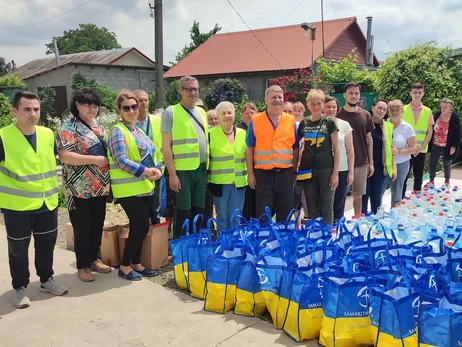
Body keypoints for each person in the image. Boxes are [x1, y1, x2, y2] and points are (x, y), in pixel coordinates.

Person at [0, 91, 68, 309]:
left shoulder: (48, 134)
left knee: (46, 246)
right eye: (27, 109)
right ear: (15, 111)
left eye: (36, 109)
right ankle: (20, 288)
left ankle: (46, 280)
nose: (32, 114)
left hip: (47, 202)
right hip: (17, 206)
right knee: (18, 250)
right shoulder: (3, 137)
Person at [56, 88, 111, 282]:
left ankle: (94, 258)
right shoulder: (68, 127)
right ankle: (83, 265)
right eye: (87, 105)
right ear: (77, 104)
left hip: (100, 186)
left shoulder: (99, 126)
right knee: (82, 227)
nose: (92, 109)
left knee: (97, 224)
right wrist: (94, 159)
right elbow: (65, 155)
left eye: (95, 105)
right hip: (78, 188)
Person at [108, 90, 162, 280]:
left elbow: (151, 155)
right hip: (128, 189)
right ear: (119, 110)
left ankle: (137, 263)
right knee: (139, 226)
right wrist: (147, 172)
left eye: (134, 106)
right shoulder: (118, 131)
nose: (131, 110)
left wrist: (157, 169)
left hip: (143, 187)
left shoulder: (136, 130)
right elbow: (121, 160)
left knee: (142, 226)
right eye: (126, 108)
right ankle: (124, 266)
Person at [161, 76, 208, 239]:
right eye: (189, 89)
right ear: (181, 90)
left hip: (201, 169)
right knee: (183, 210)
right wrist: (172, 175)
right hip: (182, 171)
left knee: (199, 209)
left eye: (195, 89)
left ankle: (195, 245)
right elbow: (166, 146)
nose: (193, 92)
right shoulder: (171, 112)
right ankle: (181, 247)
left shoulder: (202, 112)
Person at [246, 85, 299, 223]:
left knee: (286, 210)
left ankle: (284, 240)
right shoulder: (256, 120)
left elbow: (295, 148)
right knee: (263, 212)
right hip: (263, 174)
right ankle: (265, 241)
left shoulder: (291, 120)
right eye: (273, 97)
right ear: (265, 100)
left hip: (285, 173)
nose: (277, 100)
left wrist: (294, 172)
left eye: (280, 97)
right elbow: (249, 149)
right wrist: (250, 174)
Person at [298, 89, 339, 225]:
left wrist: (335, 174)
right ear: (307, 105)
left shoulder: (329, 122)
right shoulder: (303, 123)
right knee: (312, 207)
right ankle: (314, 237)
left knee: (327, 207)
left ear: (323, 104)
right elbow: (298, 147)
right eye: (313, 103)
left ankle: (326, 238)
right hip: (307, 170)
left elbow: (336, 149)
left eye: (319, 103)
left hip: (326, 168)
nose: (316, 106)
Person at [336, 82, 374, 217]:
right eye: (351, 93)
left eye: (356, 93)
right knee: (339, 195)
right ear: (344, 95)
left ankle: (357, 221)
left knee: (358, 195)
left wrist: (371, 163)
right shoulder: (337, 114)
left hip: (361, 162)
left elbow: (370, 141)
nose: (353, 96)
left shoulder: (366, 115)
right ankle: (337, 223)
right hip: (341, 164)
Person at [208, 101, 247, 231]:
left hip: (239, 183)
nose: (227, 115)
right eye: (223, 113)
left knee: (236, 216)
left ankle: (235, 247)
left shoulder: (243, 133)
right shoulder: (210, 134)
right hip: (219, 184)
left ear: (234, 116)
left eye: (229, 112)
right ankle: (223, 245)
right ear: (218, 117)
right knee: (222, 217)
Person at [134, 89, 163, 226]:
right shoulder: (129, 124)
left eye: (146, 100)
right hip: (138, 170)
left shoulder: (157, 121)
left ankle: (156, 237)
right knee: (141, 208)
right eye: (140, 100)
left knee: (155, 206)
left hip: (156, 169)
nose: (144, 103)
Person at [361, 99, 396, 213]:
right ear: (373, 108)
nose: (381, 111)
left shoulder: (388, 127)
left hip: (380, 168)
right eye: (379, 108)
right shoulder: (364, 124)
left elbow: (391, 149)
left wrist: (394, 168)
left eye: (384, 109)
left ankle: (376, 225)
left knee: (377, 198)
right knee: (363, 197)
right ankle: (362, 224)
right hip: (364, 166)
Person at [324, 96, 354, 221]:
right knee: (325, 205)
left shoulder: (344, 125)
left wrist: (351, 172)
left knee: (339, 203)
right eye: (328, 107)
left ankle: (337, 232)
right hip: (323, 169)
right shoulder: (318, 124)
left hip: (342, 169)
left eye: (333, 107)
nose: (331, 109)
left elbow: (350, 150)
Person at [402, 83, 434, 195]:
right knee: (404, 176)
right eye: (415, 92)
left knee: (418, 176)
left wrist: (423, 146)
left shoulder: (427, 111)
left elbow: (430, 131)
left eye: (419, 92)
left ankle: (416, 199)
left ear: (423, 94)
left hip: (421, 149)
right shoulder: (403, 110)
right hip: (406, 149)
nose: (417, 95)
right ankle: (400, 200)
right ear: (410, 94)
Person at [388, 100, 416, 207]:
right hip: (385, 163)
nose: (395, 112)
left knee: (397, 195)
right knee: (379, 191)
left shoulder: (407, 127)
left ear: (402, 111)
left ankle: (395, 217)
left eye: (397, 110)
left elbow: (413, 148)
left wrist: (398, 151)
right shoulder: (384, 124)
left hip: (401, 163)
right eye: (392, 110)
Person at [428, 98, 461, 186]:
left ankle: (447, 180)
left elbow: (458, 133)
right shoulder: (438, 114)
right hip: (436, 143)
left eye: (445, 107)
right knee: (433, 162)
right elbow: (432, 128)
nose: (443, 108)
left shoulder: (454, 117)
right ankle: (431, 180)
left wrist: (454, 146)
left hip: (448, 145)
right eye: (442, 106)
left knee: (447, 163)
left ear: (450, 107)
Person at [236, 103, 257, 221]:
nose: (249, 115)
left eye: (252, 112)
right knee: (245, 201)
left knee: (257, 201)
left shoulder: (259, 126)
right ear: (242, 115)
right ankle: (245, 224)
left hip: (258, 167)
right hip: (242, 170)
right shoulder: (237, 129)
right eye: (246, 113)